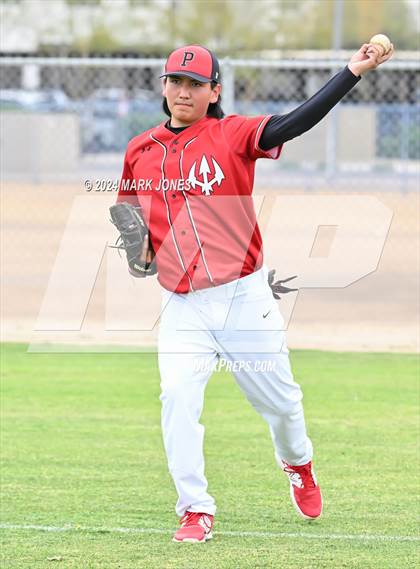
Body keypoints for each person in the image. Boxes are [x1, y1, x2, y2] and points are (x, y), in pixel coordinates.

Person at [116, 42, 393, 543]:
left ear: (214, 91)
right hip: (181, 304)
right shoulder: (139, 150)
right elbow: (130, 217)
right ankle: (195, 509)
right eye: (175, 81)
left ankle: (298, 462)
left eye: (195, 84)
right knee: (177, 400)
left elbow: (293, 122)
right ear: (163, 86)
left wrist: (353, 70)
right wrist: (138, 250)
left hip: (243, 298)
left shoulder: (232, 133)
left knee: (282, 405)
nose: (183, 91)